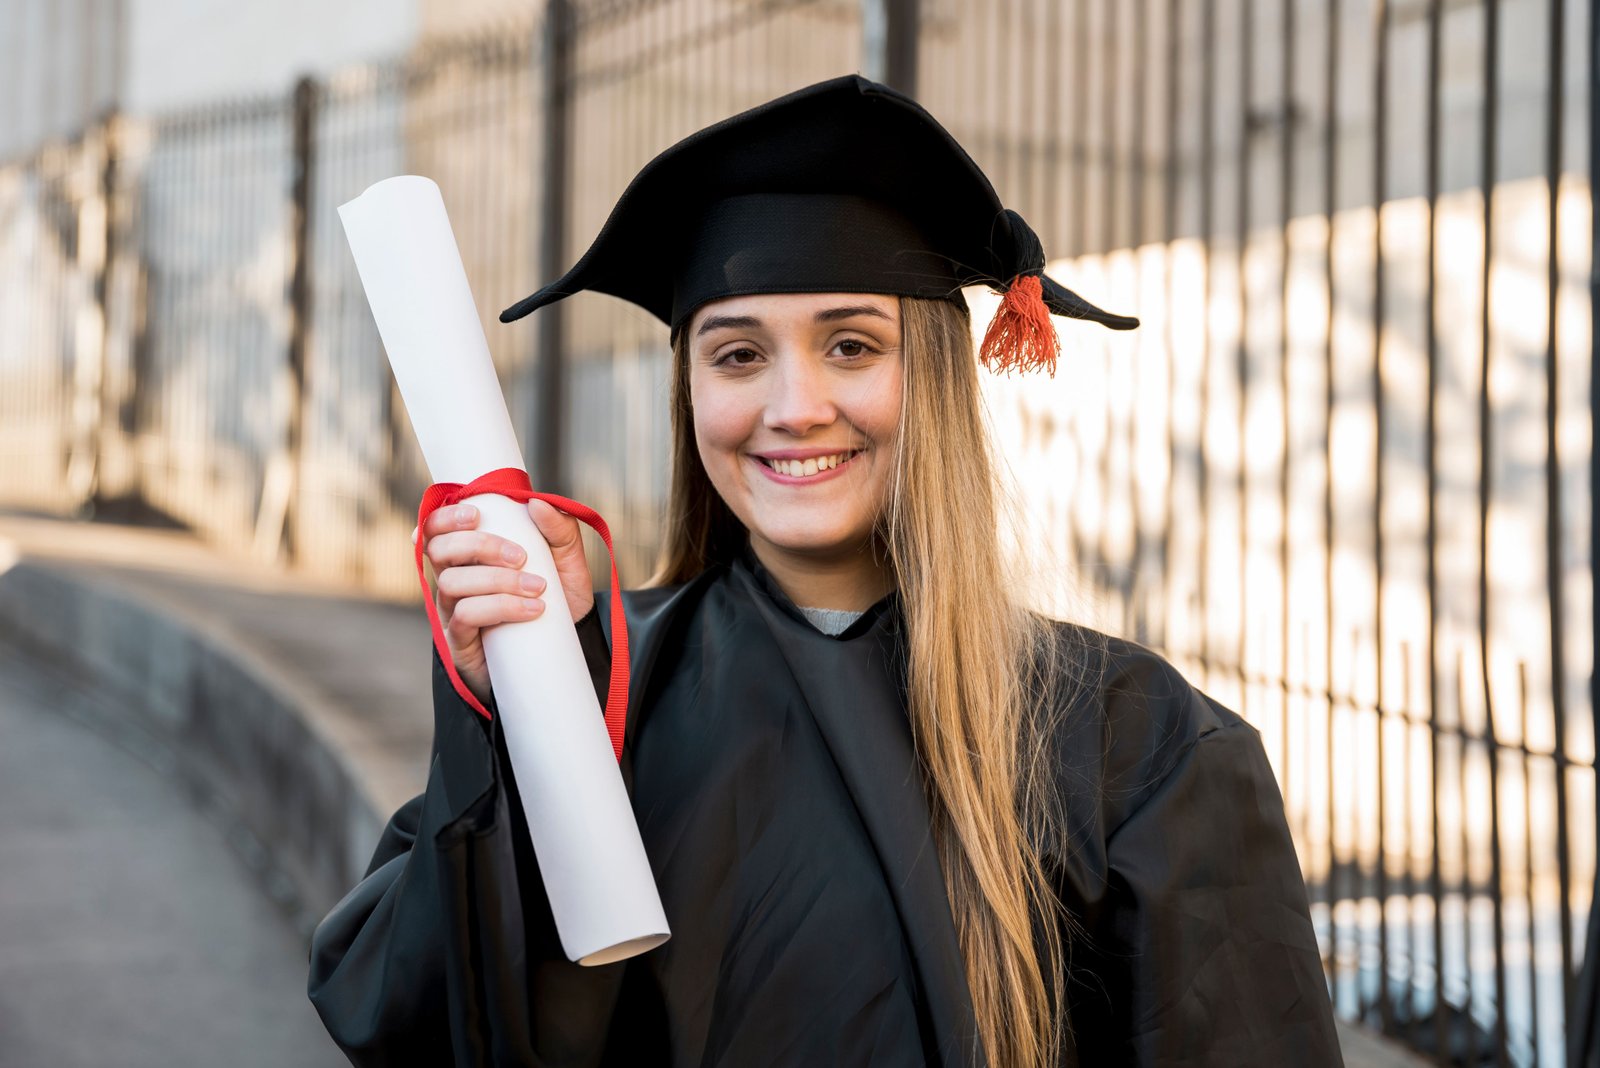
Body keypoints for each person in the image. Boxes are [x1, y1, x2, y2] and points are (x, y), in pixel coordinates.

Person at [307, 75, 1342, 1067]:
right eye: (738, 354)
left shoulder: (1134, 743)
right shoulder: (597, 694)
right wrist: (519, 728)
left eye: (851, 346)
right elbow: (417, 1024)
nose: (793, 406)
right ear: (691, 392)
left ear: (931, 379)